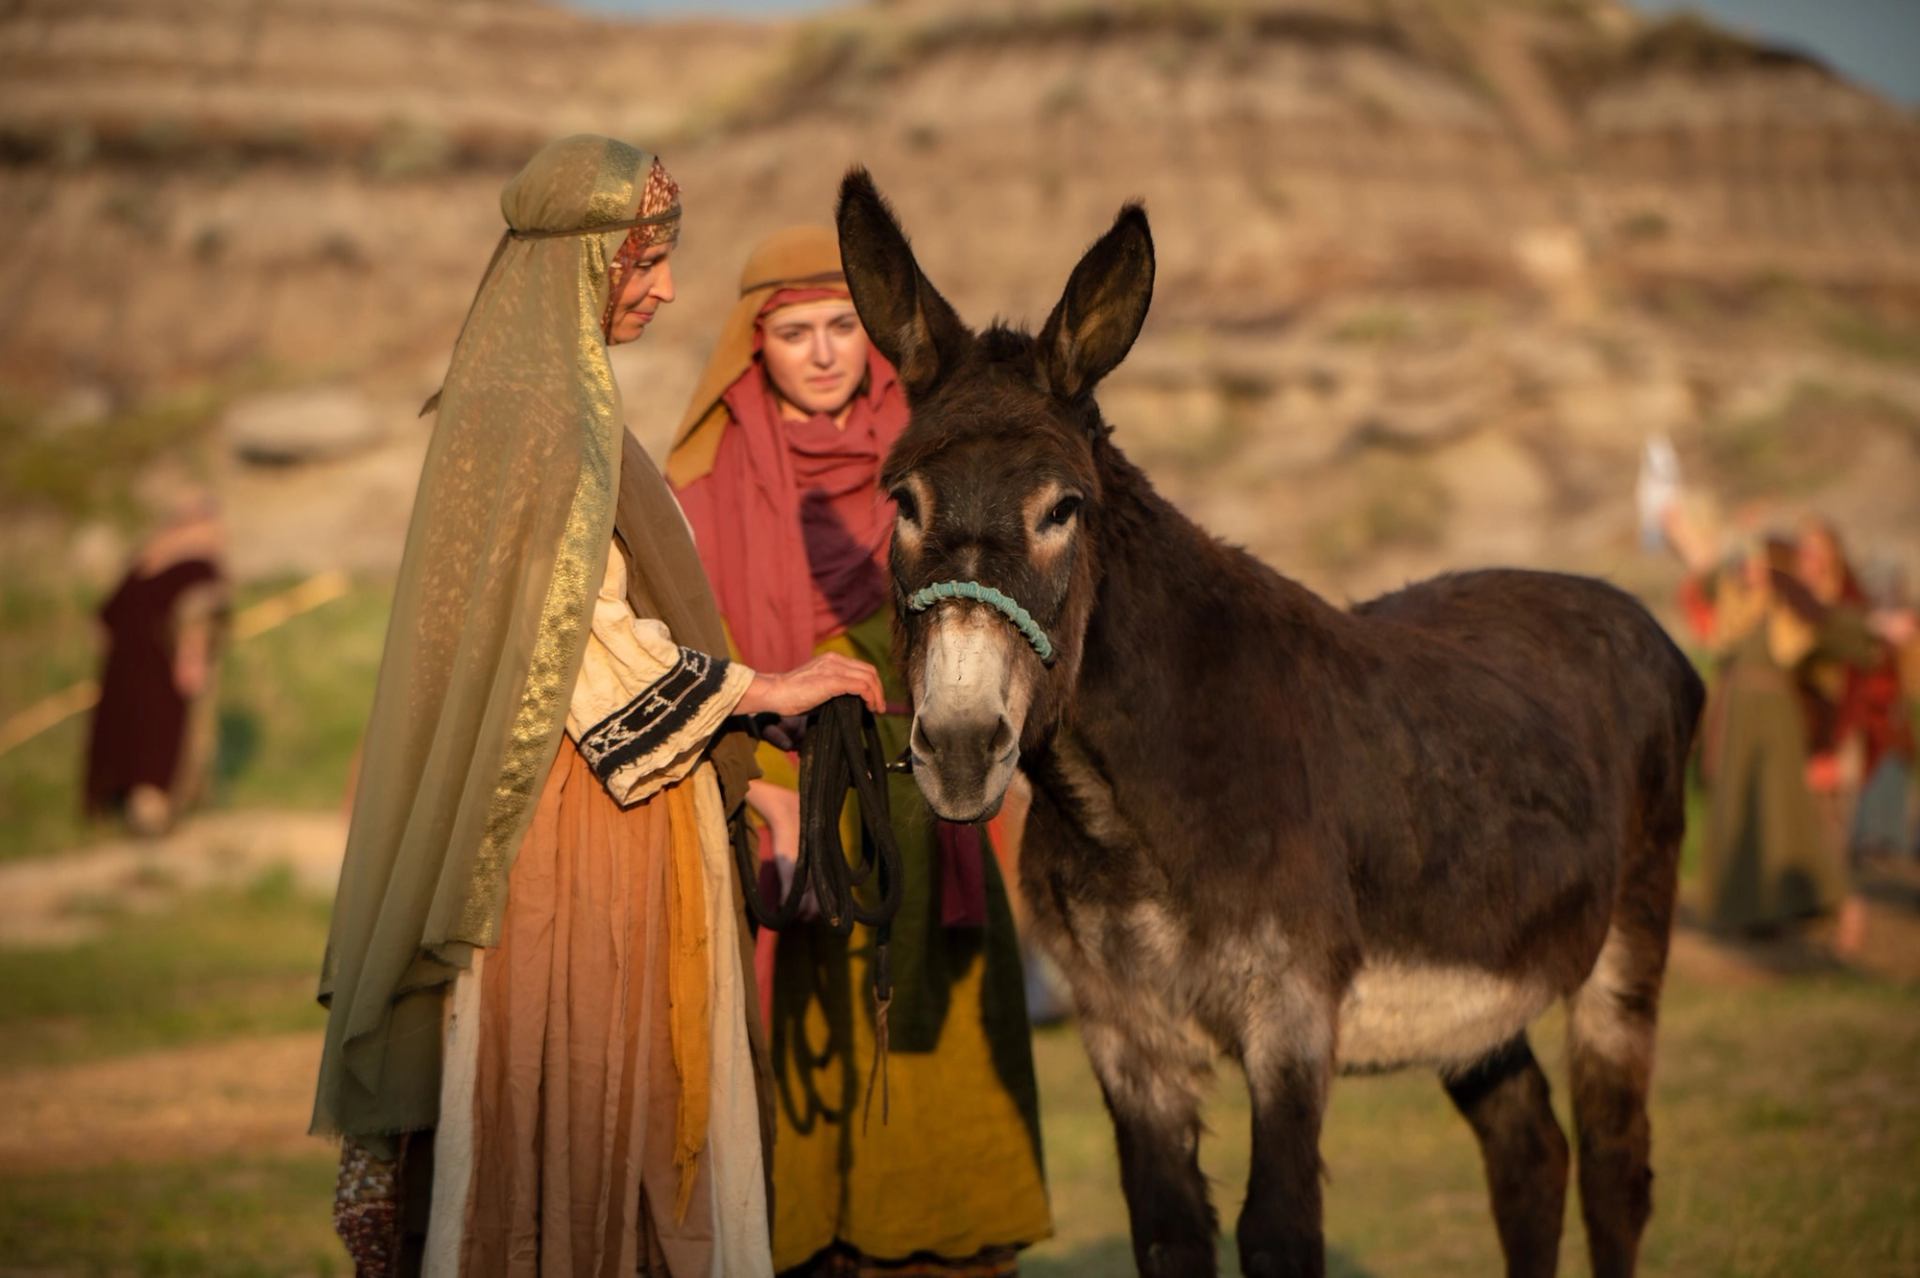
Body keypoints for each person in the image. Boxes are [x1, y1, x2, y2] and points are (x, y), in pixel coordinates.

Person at [312, 138, 884, 1278]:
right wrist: (765, 689)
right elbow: (570, 639)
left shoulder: (547, 401)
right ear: (581, 265)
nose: (665, 288)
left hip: (602, 803)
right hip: (582, 830)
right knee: (591, 1109)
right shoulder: (536, 416)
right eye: (644, 263)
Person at [669, 226, 1051, 1277]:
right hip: (773, 809)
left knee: (938, 1075)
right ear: (756, 344)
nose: (826, 351)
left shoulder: (937, 468)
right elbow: (679, 650)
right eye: (796, 330)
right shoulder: (694, 489)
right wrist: (763, 783)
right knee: (786, 1070)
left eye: (845, 325)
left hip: (927, 805)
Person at [85, 495, 227, 835]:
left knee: (147, 738)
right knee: (149, 738)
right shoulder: (179, 560)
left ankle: (143, 810)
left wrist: (193, 655)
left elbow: (103, 622)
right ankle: (143, 811)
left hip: (141, 668)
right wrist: (193, 657)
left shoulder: (159, 561)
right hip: (148, 667)